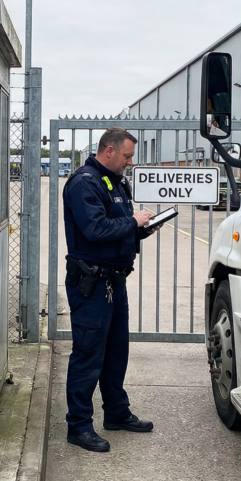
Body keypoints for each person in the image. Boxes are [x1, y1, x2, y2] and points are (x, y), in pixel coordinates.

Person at [62, 127, 159, 452]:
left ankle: (116, 413)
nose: (129, 162)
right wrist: (133, 221)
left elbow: (117, 228)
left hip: (114, 281)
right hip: (91, 284)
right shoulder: (84, 183)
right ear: (109, 151)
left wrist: (143, 228)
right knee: (88, 354)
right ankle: (78, 426)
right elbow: (95, 229)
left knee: (116, 353)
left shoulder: (115, 182)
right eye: (127, 156)